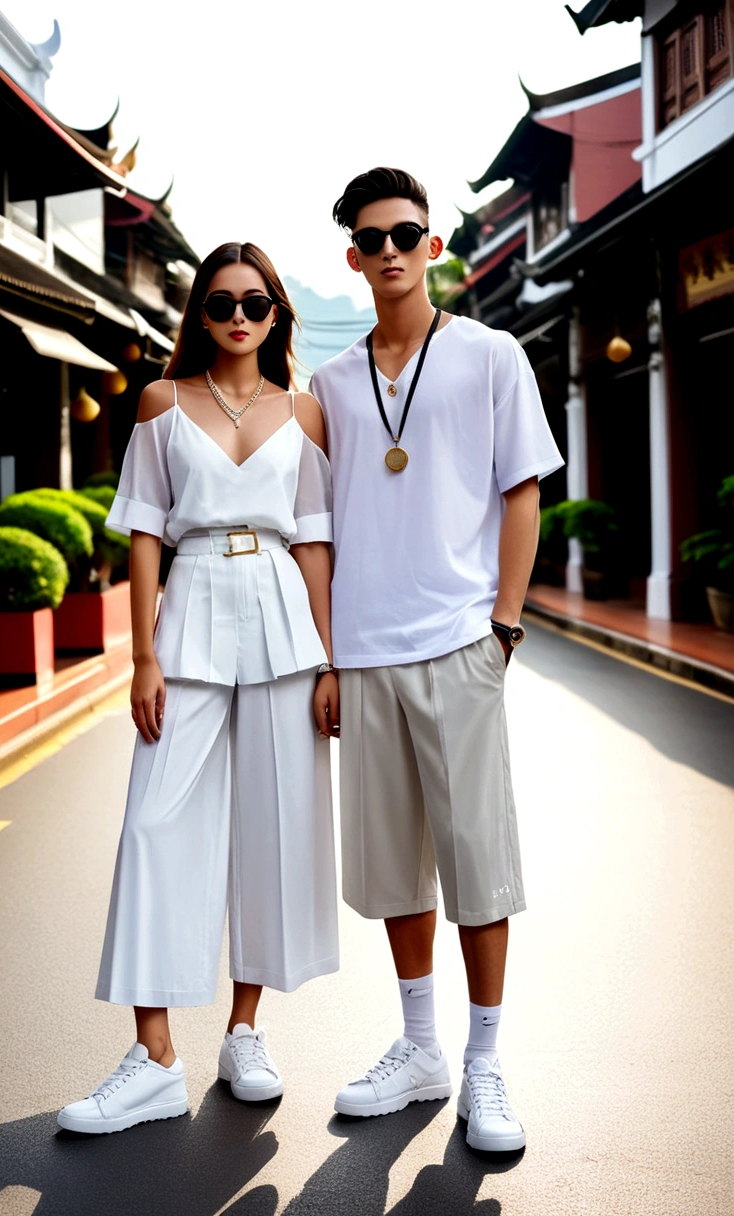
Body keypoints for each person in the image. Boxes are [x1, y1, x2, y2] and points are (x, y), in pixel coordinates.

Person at [58, 242, 340, 1135]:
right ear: (201, 312)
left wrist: (330, 660)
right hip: (188, 624)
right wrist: (141, 656)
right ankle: (152, 1057)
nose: (239, 318)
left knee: (270, 828)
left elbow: (315, 544)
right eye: (222, 303)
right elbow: (144, 535)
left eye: (256, 303)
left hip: (284, 625)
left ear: (276, 313)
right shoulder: (161, 403)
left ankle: (244, 1032)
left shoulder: (306, 413)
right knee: (152, 825)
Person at [309, 168, 563, 1152]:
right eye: (370, 239)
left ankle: (484, 1062)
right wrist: (328, 657)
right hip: (366, 654)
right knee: (393, 869)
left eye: (405, 233)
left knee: (477, 866)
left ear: (434, 244)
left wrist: (503, 621)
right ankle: (417, 1048)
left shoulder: (490, 356)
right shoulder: (328, 386)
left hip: (460, 642)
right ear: (351, 256)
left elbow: (520, 490)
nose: (388, 251)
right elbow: (315, 528)